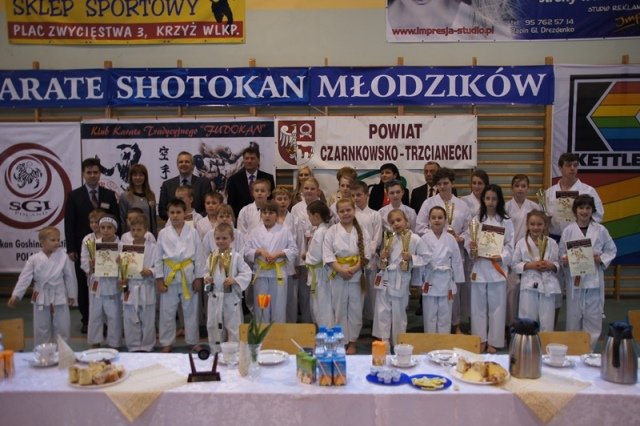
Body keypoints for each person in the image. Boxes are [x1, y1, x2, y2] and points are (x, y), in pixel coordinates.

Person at [64, 157, 119, 334]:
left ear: (100, 173)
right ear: (83, 174)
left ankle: (108, 320)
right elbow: (69, 223)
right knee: (84, 284)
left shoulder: (108, 195)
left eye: (96, 172)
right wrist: (71, 248)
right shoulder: (74, 196)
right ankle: (87, 319)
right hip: (84, 247)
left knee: (107, 285)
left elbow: (117, 219)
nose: (93, 175)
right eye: (89, 172)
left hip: (107, 247)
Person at [416, 168, 470, 332]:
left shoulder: (462, 204)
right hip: (431, 255)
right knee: (431, 307)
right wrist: (436, 232)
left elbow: (469, 229)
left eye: (445, 183)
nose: (442, 186)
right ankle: (431, 334)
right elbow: (419, 226)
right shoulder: (428, 203)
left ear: (452, 183)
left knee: (453, 295)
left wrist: (460, 237)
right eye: (439, 184)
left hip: (453, 250)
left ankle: (456, 325)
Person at [559, 195, 616, 350]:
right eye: (581, 208)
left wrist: (600, 258)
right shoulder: (568, 230)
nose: (584, 211)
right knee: (573, 319)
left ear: (592, 210)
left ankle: (588, 352)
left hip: (593, 281)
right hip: (575, 280)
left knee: (593, 319)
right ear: (575, 210)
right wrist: (565, 260)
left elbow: (611, 250)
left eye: (588, 208)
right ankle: (573, 352)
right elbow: (561, 253)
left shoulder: (600, 230)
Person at [7, 227, 77, 347]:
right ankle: (43, 354)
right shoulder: (34, 259)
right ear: (42, 242)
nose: (57, 242)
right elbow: (24, 278)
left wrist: (71, 294)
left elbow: (69, 277)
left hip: (59, 295)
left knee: (62, 328)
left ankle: (63, 354)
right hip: (40, 295)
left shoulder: (63, 256)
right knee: (41, 329)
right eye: (53, 240)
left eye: (58, 240)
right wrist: (16, 295)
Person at [466, 184, 514, 354]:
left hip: (496, 268)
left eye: (494, 198)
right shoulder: (476, 220)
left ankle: (494, 340)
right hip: (480, 267)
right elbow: (468, 241)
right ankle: (480, 339)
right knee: (478, 307)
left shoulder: (506, 221)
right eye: (487, 198)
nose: (491, 202)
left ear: (499, 200)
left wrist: (501, 256)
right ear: (483, 200)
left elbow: (510, 245)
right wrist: (472, 249)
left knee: (497, 306)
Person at [154, 198, 205, 353]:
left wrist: (199, 278)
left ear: (185, 213)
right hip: (169, 276)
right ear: (168, 214)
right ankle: (166, 342)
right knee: (167, 312)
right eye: (172, 212)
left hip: (188, 275)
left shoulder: (193, 232)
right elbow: (158, 258)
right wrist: (159, 279)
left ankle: (193, 341)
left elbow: (199, 256)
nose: (175, 215)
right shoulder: (163, 233)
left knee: (191, 311)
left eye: (178, 212)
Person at [323, 198, 372, 354]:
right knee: (339, 308)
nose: (345, 213)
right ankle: (341, 340)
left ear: (354, 210)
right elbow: (327, 254)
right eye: (342, 211)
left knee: (356, 309)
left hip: (356, 274)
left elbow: (367, 254)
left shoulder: (362, 230)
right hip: (338, 274)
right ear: (337, 213)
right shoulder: (332, 231)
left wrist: (354, 268)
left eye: (348, 210)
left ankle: (352, 342)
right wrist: (340, 270)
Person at [373, 209, 426, 345]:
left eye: (398, 220)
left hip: (400, 280)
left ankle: (398, 344)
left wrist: (411, 258)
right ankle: (384, 343)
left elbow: (426, 257)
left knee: (398, 314)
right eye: (392, 222)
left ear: (406, 221)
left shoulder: (415, 239)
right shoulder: (389, 238)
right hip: (385, 279)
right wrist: (382, 257)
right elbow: (382, 263)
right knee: (382, 312)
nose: (396, 224)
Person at [244, 200, 298, 323]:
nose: (267, 216)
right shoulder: (254, 232)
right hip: (261, 273)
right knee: (261, 307)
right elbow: (246, 251)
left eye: (271, 213)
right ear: (261, 215)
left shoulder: (284, 231)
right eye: (264, 213)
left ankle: (278, 333)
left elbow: (294, 250)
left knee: (279, 307)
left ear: (277, 215)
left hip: (278, 273)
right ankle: (262, 333)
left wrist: (279, 254)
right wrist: (259, 252)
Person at [204, 223, 252, 351]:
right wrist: (207, 278)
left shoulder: (236, 257)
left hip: (230, 298)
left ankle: (234, 353)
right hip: (215, 297)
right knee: (213, 326)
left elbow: (246, 273)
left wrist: (234, 280)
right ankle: (216, 352)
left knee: (233, 327)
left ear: (232, 239)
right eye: (218, 238)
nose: (221, 241)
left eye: (224, 238)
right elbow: (206, 272)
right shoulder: (211, 257)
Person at [419, 206, 464, 334]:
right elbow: (420, 261)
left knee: (445, 314)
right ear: (429, 220)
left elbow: (456, 260)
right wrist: (418, 280)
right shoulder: (424, 238)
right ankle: (430, 340)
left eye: (440, 217)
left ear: (445, 220)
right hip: (430, 279)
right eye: (433, 218)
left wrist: (458, 279)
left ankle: (444, 341)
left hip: (446, 280)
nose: (437, 220)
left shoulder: (451, 239)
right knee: (430, 315)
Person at [512, 210, 560, 332]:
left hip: (548, 285)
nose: (536, 227)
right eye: (532, 224)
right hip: (529, 285)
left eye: (539, 224)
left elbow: (557, 263)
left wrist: (550, 265)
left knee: (547, 322)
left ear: (545, 225)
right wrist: (531, 265)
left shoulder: (552, 243)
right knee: (528, 321)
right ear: (527, 225)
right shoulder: (521, 243)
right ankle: (527, 343)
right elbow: (514, 265)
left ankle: (545, 343)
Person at [504, 174, 541, 328]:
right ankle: (511, 324)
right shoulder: (506, 207)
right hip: (511, 250)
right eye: (517, 186)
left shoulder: (535, 207)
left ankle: (529, 324)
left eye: (523, 186)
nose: (520, 189)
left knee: (529, 289)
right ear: (512, 188)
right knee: (511, 290)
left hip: (529, 251)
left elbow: (540, 229)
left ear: (528, 188)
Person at [119, 215, 157, 352]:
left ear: (146, 230)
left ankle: (147, 346)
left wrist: (150, 271)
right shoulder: (126, 248)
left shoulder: (153, 247)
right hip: (131, 287)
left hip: (146, 287)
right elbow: (122, 269)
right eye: (133, 230)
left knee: (148, 320)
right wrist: (123, 280)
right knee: (130, 319)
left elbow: (159, 266)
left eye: (139, 230)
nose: (136, 232)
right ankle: (133, 346)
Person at [545, 153, 604, 240]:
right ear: (560, 168)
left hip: (579, 238)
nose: (572, 168)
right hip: (555, 237)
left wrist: (584, 222)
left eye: (575, 165)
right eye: (568, 165)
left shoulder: (588, 191)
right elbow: (542, 216)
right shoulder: (550, 192)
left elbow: (598, 215)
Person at [88, 215, 123, 349]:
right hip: (97, 284)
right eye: (102, 227)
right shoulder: (93, 244)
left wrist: (120, 264)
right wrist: (91, 265)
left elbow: (127, 267)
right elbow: (86, 265)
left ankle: (114, 343)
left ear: (115, 229)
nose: (105, 230)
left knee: (114, 316)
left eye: (109, 227)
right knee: (95, 314)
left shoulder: (121, 246)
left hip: (113, 284)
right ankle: (95, 341)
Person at [273, 187, 307, 323]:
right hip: (273, 263)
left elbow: (300, 242)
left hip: (290, 264)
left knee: (291, 298)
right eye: (279, 199)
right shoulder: (269, 218)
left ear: (289, 201)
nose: (282, 202)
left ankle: (291, 325)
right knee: (275, 297)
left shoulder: (295, 220)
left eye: (285, 199)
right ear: (274, 201)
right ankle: (276, 326)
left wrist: (298, 265)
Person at [351, 180, 383, 324]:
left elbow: (377, 238)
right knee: (356, 292)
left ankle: (372, 321)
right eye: (353, 195)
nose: (356, 198)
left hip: (371, 259)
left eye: (359, 195)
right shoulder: (350, 214)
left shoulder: (375, 215)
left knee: (372, 291)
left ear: (366, 195)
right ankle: (357, 321)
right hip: (354, 260)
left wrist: (367, 256)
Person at [158, 151, 212, 221]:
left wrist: (195, 218)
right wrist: (177, 218)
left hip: (198, 224)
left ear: (193, 165)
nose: (184, 164)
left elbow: (209, 207)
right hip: (174, 224)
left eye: (187, 162)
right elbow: (162, 211)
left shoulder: (204, 183)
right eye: (181, 162)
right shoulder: (167, 185)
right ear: (177, 165)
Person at [226, 145, 275, 219]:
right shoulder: (234, 179)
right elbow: (231, 204)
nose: (249, 161)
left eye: (252, 158)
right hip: (241, 219)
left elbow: (271, 201)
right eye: (247, 158)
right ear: (243, 160)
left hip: (265, 218)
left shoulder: (268, 178)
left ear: (258, 160)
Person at [305, 200, 333, 327]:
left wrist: (306, 256)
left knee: (322, 307)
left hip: (320, 274)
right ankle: (324, 333)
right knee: (319, 306)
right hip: (320, 273)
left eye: (309, 216)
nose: (309, 219)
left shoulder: (321, 232)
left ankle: (327, 334)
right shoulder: (323, 230)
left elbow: (316, 257)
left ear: (316, 216)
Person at [118, 163, 157, 236]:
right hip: (132, 236)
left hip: (148, 236)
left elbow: (153, 219)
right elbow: (122, 220)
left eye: (141, 175)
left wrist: (154, 235)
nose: (138, 177)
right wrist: (123, 237)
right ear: (131, 177)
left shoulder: (151, 195)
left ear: (145, 177)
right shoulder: (125, 196)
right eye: (135, 175)